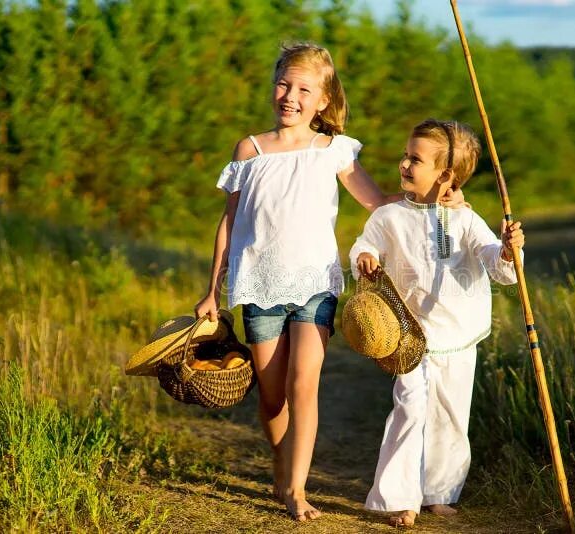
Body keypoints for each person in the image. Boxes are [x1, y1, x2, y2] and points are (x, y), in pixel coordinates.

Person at [193, 43, 464, 522]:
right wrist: (213, 290)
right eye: (284, 84)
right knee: (272, 393)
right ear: (272, 86)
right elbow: (228, 224)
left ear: (322, 100)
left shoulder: (333, 150)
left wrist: (440, 201)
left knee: (304, 384)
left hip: (316, 284)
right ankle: (283, 467)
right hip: (258, 286)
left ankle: (297, 489)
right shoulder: (250, 151)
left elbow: (379, 203)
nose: (290, 96)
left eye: (304, 89)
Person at [350, 118, 525, 527]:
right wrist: (365, 256)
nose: (404, 164)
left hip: (458, 335)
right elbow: (367, 242)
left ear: (445, 175)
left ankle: (439, 491)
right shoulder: (390, 215)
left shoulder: (464, 218)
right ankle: (399, 497)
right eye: (406, 156)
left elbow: (494, 262)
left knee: (450, 413)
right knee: (409, 409)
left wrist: (507, 251)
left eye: (415, 159)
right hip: (409, 335)